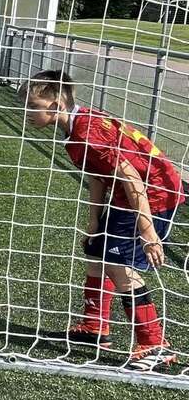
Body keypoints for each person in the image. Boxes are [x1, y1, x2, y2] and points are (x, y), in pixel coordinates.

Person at [23, 70, 182, 370]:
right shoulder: (77, 130)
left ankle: (154, 344)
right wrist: (94, 222)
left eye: (33, 106)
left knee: (117, 264)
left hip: (154, 193)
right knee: (97, 250)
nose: (27, 113)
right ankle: (94, 327)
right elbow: (98, 175)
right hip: (130, 192)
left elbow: (132, 179)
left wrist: (148, 232)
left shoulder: (87, 133)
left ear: (56, 106)